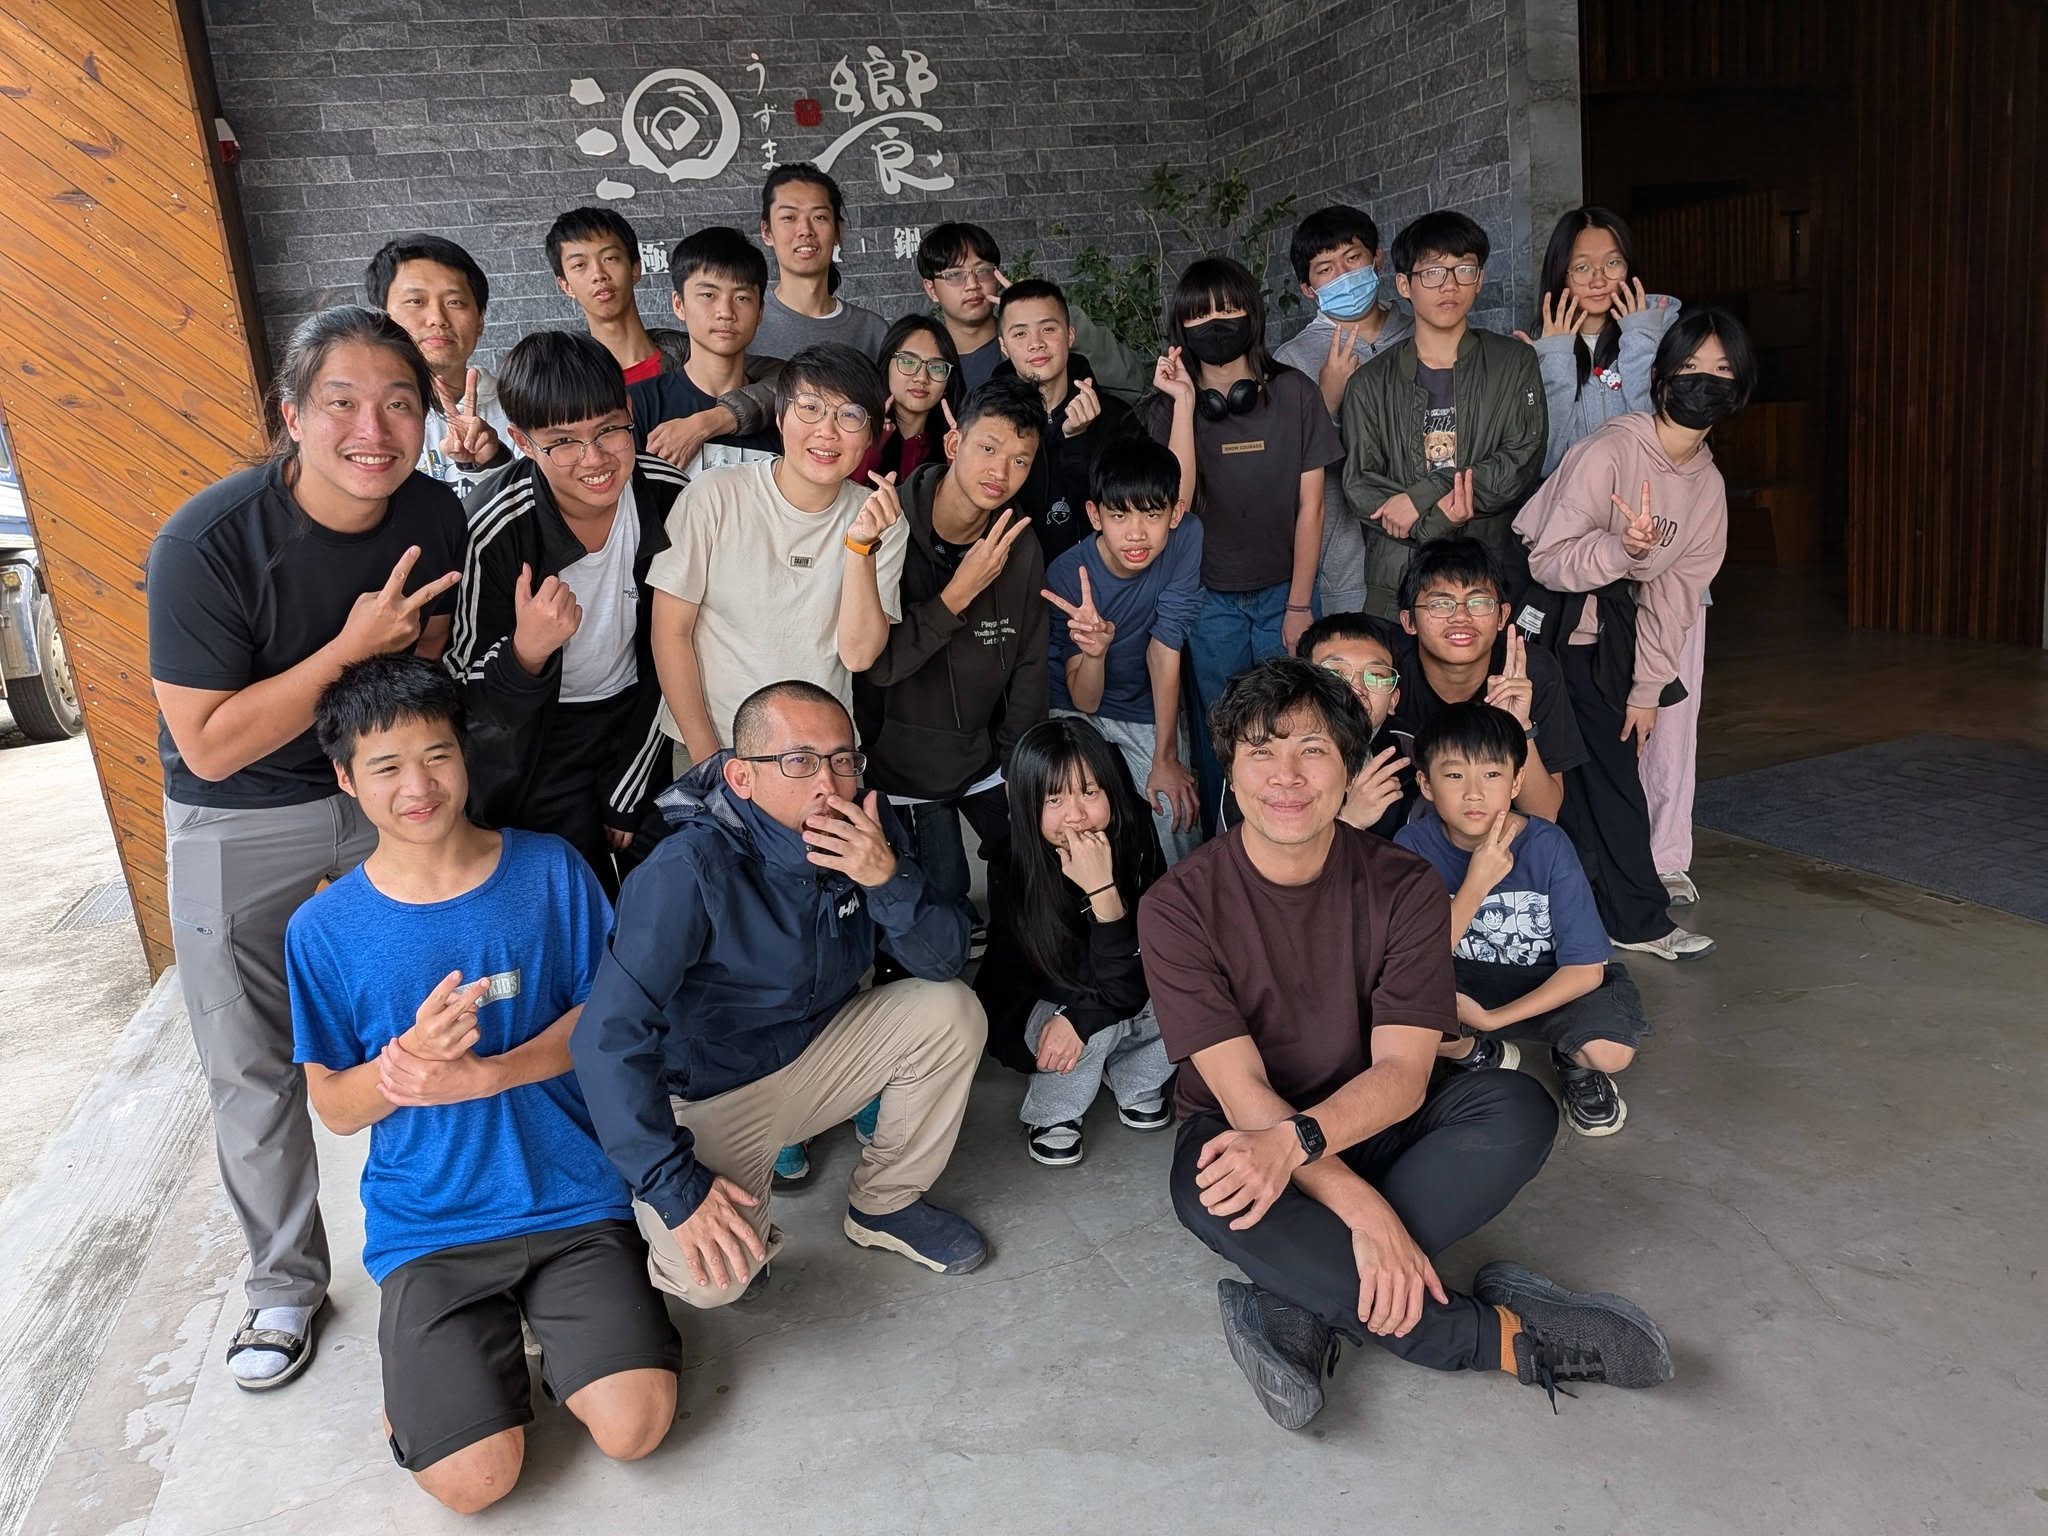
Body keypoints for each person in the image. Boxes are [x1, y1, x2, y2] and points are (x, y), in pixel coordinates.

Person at [1140, 658, 1672, 1430]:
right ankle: (1502, 1337)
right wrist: (1368, 1212)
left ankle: (1298, 1298)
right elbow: (1241, 1092)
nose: (1286, 777)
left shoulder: (1405, 884)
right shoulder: (1178, 907)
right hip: (1250, 1130)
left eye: (1313, 750)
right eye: (1261, 752)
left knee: (1518, 1109)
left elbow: (1402, 1071)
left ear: (1349, 766)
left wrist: (1329, 1173)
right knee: (1207, 1184)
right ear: (1231, 766)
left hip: (1372, 1115)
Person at [146, 306, 465, 1390]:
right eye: (342, 403)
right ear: (291, 415)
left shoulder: (432, 512)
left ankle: (454, 1227)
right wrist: (344, 649)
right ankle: (283, 1285)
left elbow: (418, 669)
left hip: (375, 795)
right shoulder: (205, 542)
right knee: (251, 1063)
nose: (373, 430)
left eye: (399, 404)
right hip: (237, 817)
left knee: (431, 1011)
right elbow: (209, 744)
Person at [288, 655, 679, 1512]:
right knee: (475, 1483)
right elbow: (334, 1106)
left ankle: (547, 1343)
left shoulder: (551, 870)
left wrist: (490, 1074)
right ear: (346, 779)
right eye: (386, 767)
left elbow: (604, 1021)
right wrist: (405, 1065)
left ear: (464, 753)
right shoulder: (323, 929)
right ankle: (440, 1374)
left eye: (437, 755)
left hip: (572, 1199)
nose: (418, 786)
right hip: (434, 1227)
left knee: (636, 1427)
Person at [573, 680, 990, 1302]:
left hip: (818, 1056)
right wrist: (675, 1188)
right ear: (741, 777)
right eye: (799, 761)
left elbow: (943, 960)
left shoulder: (868, 832)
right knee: (714, 1285)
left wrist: (887, 878)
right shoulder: (686, 869)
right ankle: (674, 1212)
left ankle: (885, 1204)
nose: (829, 784)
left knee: (951, 1009)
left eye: (843, 760)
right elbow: (607, 1039)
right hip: (713, 1094)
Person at [1514, 309, 1755, 958]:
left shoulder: (1707, 487)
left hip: (1612, 636)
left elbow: (1673, 599)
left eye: (1722, 372)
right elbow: (1547, 561)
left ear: (1740, 390)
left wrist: (1647, 690)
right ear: (1662, 377)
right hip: (1556, 629)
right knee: (1600, 778)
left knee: (1601, 773)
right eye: (1691, 368)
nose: (1705, 382)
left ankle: (1603, 914)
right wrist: (1621, 549)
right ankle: (1636, 920)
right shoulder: (1612, 450)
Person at [443, 330, 688, 892]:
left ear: (630, 413)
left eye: (608, 430)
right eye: (563, 442)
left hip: (645, 719)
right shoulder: (493, 528)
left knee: (669, 887)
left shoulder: (670, 496)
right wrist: (525, 654)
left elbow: (683, 649)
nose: (594, 458)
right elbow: (459, 686)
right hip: (537, 741)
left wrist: (627, 788)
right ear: (522, 442)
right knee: (570, 893)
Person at [1137, 256, 1343, 815]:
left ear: (1252, 313)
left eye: (1228, 309)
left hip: (1284, 594)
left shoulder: (1295, 394)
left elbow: (1312, 507)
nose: (1217, 324)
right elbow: (1175, 508)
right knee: (1221, 732)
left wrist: (1299, 604)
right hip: (1207, 600)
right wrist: (1184, 404)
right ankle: (1226, 842)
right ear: (1181, 328)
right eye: (1200, 315)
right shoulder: (1165, 411)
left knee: (1292, 724)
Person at [646, 343, 906, 774]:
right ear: (782, 419)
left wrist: (860, 547)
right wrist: (708, 760)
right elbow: (670, 634)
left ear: (871, 435)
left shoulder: (882, 519)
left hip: (824, 755)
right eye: (810, 408)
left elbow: (858, 655)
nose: (827, 431)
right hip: (715, 744)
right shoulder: (712, 496)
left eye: (850, 415)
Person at [1393, 702, 1651, 1137]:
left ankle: (1572, 1060)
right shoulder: (1412, 846)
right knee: (1392, 1014)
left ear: (1516, 782)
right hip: (1462, 986)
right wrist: (1477, 883)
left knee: (1610, 1051)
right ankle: (1475, 1053)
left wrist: (1495, 1019)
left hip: (1547, 984)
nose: (1474, 793)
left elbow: (1585, 970)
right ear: (1426, 784)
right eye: (1454, 776)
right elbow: (1409, 962)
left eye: (1491, 774)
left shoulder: (1548, 845)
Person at [852, 376, 1049, 920]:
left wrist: (1016, 765)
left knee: (1038, 869)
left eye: (1020, 460)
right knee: (941, 895)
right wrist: (959, 592)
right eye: (988, 448)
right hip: (894, 765)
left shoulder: (1018, 544)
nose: (1000, 472)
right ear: (954, 442)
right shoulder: (885, 525)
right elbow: (876, 665)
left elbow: (1030, 664)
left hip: (981, 757)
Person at [972, 718, 1174, 1164]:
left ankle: (1134, 1078)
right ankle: (1053, 1112)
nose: (1076, 815)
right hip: (1041, 999)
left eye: (1089, 791)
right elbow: (1067, 977)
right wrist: (1100, 891)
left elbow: (1159, 944)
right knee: (1086, 1022)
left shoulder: (1135, 830)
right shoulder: (1012, 862)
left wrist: (1104, 888)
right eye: (1054, 799)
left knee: (1186, 992)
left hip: (1117, 981)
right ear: (1027, 803)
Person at [1341, 210, 1547, 619]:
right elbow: (1361, 483)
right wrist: (1435, 522)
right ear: (1405, 284)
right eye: (1433, 272)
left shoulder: (1513, 361)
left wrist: (1425, 494)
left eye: (1463, 269)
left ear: (1480, 278)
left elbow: (1520, 463)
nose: (1450, 285)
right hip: (1398, 579)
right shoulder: (1369, 382)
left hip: (1489, 573)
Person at [1041, 435, 1204, 863]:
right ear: (1094, 515)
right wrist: (1095, 653)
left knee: (1177, 809)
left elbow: (1164, 646)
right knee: (1068, 810)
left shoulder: (1187, 537)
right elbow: (1084, 700)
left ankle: (1184, 899)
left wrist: (1165, 758)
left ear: (1175, 514)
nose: (1136, 534)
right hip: (1075, 705)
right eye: (1119, 515)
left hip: (1143, 702)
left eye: (1152, 514)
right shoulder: (1067, 575)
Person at [1272, 206, 1414, 615]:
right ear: (1308, 288)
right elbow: (1288, 473)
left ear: (1378, 258)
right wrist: (1327, 403)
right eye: (1325, 269)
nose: (1344, 275)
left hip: (1430, 552)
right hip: (1347, 569)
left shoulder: (1422, 334)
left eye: (1353, 258)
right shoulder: (1292, 360)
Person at [1393, 538, 1586, 824]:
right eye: (1441, 604)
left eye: (1479, 602)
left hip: (1498, 835)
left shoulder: (1530, 672)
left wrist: (1519, 725)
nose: (1461, 617)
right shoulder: (1386, 670)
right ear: (1409, 622)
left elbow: (1544, 814)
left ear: (1502, 616)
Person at [1521, 208, 1680, 476]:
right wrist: (1555, 359)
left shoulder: (1661, 339)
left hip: (1643, 496)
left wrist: (1640, 341)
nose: (1599, 280)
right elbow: (1545, 462)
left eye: (1613, 263)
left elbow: (1660, 444)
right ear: (1560, 274)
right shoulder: (1536, 353)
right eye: (1582, 267)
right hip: (1572, 500)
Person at [363, 234, 514, 499]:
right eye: (416, 301)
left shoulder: (520, 408)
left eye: (454, 302)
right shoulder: (359, 419)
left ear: (480, 320)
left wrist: (492, 464)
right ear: (381, 317)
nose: (437, 319)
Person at [993, 277, 1132, 562]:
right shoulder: (988, 420)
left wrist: (1076, 441)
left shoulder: (1116, 417)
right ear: (1003, 346)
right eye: (1020, 334)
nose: (1036, 344)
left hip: (1102, 576)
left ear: (1069, 335)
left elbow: (1130, 512)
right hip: (1015, 579)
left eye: (1048, 329)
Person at [627, 226, 782, 472]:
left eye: (741, 298)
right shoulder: (638, 404)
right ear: (679, 304)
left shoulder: (786, 410)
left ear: (760, 312)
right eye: (708, 295)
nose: (726, 312)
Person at [1294, 612, 1416, 839]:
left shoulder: (1414, 757)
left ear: (1393, 700)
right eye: (1335, 673)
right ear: (1301, 688)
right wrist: (1349, 822)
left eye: (1376, 674)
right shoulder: (1263, 757)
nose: (1357, 688)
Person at [750, 163, 889, 361]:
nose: (805, 230)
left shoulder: (872, 332)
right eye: (789, 217)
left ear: (838, 231)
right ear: (766, 232)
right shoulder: (747, 326)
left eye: (819, 217)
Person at [545, 206, 674, 385]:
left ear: (635, 269)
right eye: (579, 265)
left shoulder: (693, 358)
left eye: (610, 258)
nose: (598, 274)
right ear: (566, 286)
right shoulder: (565, 384)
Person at [854, 313, 960, 485]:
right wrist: (870, 445)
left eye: (936, 367)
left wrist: (960, 460)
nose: (922, 378)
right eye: (909, 362)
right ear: (886, 365)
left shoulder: (956, 442)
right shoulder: (855, 428)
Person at [917, 221, 1006, 392]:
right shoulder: (923, 366)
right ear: (931, 290)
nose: (972, 285)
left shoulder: (1025, 346)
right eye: (955, 275)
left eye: (983, 271)